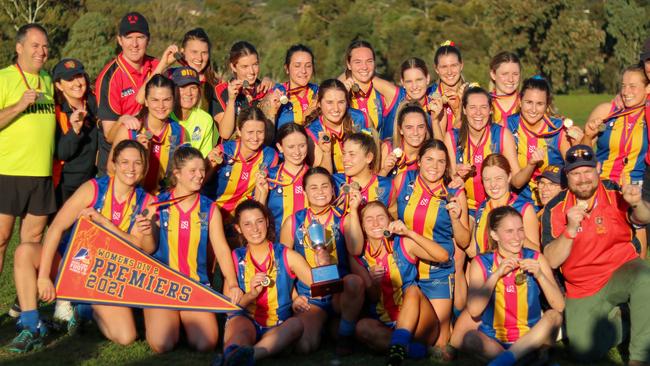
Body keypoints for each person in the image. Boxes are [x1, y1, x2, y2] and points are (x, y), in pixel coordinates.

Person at [9, 140, 154, 352]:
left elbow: (140, 248)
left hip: (105, 279)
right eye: (124, 162)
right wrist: (43, 277)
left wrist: (104, 222)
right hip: (72, 266)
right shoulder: (93, 189)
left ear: (145, 167)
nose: (130, 169)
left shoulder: (147, 202)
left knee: (126, 336)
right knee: (24, 252)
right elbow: (56, 228)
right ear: (113, 164)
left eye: (137, 163)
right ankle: (32, 326)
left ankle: (84, 311)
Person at [541, 144, 650, 364]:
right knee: (583, 352)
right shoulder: (555, 208)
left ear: (598, 168)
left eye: (587, 170)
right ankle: (628, 320)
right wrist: (570, 230)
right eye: (575, 173)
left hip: (622, 271)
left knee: (644, 278)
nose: (582, 179)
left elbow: (643, 218)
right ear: (567, 175)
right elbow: (551, 260)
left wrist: (637, 202)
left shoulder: (614, 191)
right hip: (583, 287)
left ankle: (638, 358)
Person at [145, 146, 239, 353]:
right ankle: (159, 316)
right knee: (162, 344)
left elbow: (222, 249)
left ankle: (184, 320)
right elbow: (142, 245)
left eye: (202, 170)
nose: (200, 175)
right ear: (176, 174)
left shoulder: (209, 208)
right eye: (193, 171)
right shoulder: (158, 204)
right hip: (161, 286)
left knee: (206, 344)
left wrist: (232, 283)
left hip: (195, 285)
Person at [390, 139, 470, 357]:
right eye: (429, 160)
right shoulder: (403, 180)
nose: (434, 166)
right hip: (404, 268)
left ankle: (409, 346)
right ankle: (407, 345)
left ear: (446, 166)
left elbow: (464, 241)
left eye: (441, 162)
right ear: (419, 161)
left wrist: (455, 219)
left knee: (439, 344)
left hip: (437, 271)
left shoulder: (453, 191)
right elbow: (389, 210)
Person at [457, 206, 564, 366]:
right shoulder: (481, 263)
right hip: (495, 340)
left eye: (520, 230)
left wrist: (540, 275)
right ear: (494, 234)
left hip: (531, 338)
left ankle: (506, 360)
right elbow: (474, 310)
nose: (517, 237)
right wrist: (496, 274)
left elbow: (559, 305)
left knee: (554, 316)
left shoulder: (536, 258)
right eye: (509, 231)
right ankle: (525, 361)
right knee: (470, 338)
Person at [279, 167, 365, 355]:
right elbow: (282, 267)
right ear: (305, 192)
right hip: (312, 297)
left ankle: (345, 334)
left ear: (333, 190)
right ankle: (328, 327)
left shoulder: (343, 218)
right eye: (314, 187)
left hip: (338, 293)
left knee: (355, 282)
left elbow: (356, 249)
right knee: (304, 347)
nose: (320, 192)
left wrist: (353, 211)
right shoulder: (293, 222)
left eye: (325, 186)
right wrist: (295, 297)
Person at [353, 201, 448, 366]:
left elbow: (443, 257)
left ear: (389, 221)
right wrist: (373, 283)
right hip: (387, 324)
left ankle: (397, 347)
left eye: (380, 217)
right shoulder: (361, 255)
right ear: (362, 226)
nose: (375, 223)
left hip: (420, 322)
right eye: (369, 219)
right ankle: (413, 350)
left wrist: (409, 233)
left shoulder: (402, 242)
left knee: (412, 290)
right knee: (362, 327)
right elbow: (374, 298)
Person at [221, 200, 312, 365]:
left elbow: (314, 282)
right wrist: (251, 294)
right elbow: (228, 309)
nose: (255, 229)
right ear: (238, 228)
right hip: (246, 318)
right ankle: (241, 354)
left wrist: (297, 297)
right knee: (237, 327)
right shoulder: (236, 257)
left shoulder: (285, 254)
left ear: (267, 222)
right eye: (247, 224)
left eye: (259, 221)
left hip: (278, 324)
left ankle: (248, 356)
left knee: (296, 324)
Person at [0, 23, 55, 278]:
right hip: (8, 171)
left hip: (41, 174)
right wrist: (18, 106)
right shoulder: (4, 78)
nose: (41, 51)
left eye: (45, 46)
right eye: (35, 45)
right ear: (19, 47)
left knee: (32, 242)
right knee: (1, 240)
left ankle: (24, 310)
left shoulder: (47, 80)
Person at [95, 12, 159, 175]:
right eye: (129, 37)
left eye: (140, 37)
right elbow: (109, 135)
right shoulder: (109, 77)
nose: (135, 44)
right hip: (117, 164)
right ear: (120, 40)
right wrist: (122, 121)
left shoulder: (157, 66)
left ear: (148, 39)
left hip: (152, 158)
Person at [444, 85, 522, 216]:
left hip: (497, 205)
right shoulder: (451, 137)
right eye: (472, 107)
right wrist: (457, 173)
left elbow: (515, 178)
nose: (478, 113)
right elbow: (450, 176)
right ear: (464, 109)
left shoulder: (502, 135)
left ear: (491, 110)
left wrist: (531, 165)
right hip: (465, 208)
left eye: (484, 107)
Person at [109, 75, 187, 194]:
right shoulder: (129, 130)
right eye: (155, 100)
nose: (161, 106)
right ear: (146, 101)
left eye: (166, 100)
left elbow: (178, 175)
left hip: (162, 202)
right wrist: (137, 153)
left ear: (174, 100)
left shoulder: (179, 132)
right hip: (130, 198)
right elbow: (110, 169)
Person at [507, 76, 577, 206]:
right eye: (529, 102)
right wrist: (531, 164)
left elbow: (575, 170)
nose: (533, 109)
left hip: (555, 202)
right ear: (520, 101)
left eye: (539, 104)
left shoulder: (558, 130)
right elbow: (516, 183)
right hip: (519, 202)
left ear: (547, 105)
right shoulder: (507, 126)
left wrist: (580, 142)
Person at [206, 106, 279, 217]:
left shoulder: (270, 156)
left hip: (243, 217)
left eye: (260, 132)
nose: (255, 138)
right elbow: (202, 185)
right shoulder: (224, 152)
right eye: (250, 132)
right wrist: (209, 165)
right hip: (214, 213)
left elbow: (261, 192)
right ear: (239, 131)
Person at [469, 154, 539, 257]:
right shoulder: (482, 208)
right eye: (487, 179)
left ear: (509, 177)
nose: (493, 185)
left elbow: (537, 252)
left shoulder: (523, 208)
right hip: (486, 271)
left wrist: (515, 233)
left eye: (499, 178)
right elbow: (473, 251)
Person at [52, 58, 99, 207]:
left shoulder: (95, 101)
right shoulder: (56, 111)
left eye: (79, 76)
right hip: (65, 186)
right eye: (69, 79)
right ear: (59, 85)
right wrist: (75, 130)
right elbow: (62, 153)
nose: (77, 83)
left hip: (93, 183)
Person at [255, 122, 311, 238]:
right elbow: (257, 217)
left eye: (302, 145)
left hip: (309, 245)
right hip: (278, 245)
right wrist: (263, 194)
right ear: (280, 147)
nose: (297, 152)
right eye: (291, 147)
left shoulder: (315, 176)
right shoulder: (269, 176)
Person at [212, 41, 274, 140]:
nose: (252, 71)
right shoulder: (221, 91)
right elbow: (225, 134)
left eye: (255, 64)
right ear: (233, 67)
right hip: (234, 151)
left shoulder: (266, 88)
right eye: (245, 66)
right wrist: (232, 100)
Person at [304, 79, 366, 173]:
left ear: (347, 103)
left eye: (341, 102)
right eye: (329, 102)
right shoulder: (312, 132)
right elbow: (322, 177)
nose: (336, 108)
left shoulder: (359, 118)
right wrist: (327, 153)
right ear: (319, 104)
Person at [342, 40, 400, 139]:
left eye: (369, 61)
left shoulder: (382, 93)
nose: (364, 67)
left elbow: (399, 95)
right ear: (349, 65)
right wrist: (340, 92)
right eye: (358, 62)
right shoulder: (341, 92)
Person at [333, 131, 392, 209]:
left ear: (369, 157)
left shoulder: (387, 186)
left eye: (352, 154)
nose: (344, 159)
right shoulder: (334, 181)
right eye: (344, 153)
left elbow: (392, 217)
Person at [170, 66, 218, 157]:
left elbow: (204, 157)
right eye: (182, 87)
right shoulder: (164, 114)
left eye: (193, 88)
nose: (188, 93)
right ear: (172, 90)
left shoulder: (205, 119)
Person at [379, 104, 432, 177]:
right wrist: (384, 171)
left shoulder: (430, 153)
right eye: (409, 127)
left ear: (426, 128)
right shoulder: (388, 148)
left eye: (420, 127)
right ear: (400, 129)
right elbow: (373, 186)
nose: (415, 133)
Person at [275, 44, 319, 128]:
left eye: (308, 66)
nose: (303, 71)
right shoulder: (277, 93)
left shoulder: (319, 92)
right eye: (297, 66)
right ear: (287, 68)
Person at [431, 40, 465, 134]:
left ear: (461, 65)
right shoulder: (428, 96)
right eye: (444, 67)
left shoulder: (473, 93)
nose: (449, 72)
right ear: (436, 69)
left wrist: (459, 108)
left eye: (453, 65)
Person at [489, 52, 521, 126]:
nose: (511, 79)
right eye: (505, 74)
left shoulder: (528, 103)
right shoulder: (484, 103)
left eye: (515, 74)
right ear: (493, 75)